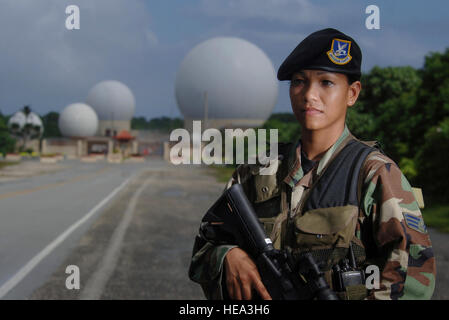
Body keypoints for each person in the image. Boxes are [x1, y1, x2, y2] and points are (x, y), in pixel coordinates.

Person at [188, 28, 436, 300]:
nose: (309, 95)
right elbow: (204, 248)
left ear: (352, 94)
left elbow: (414, 281)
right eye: (299, 81)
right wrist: (228, 256)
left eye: (326, 83)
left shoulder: (374, 174)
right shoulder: (255, 172)